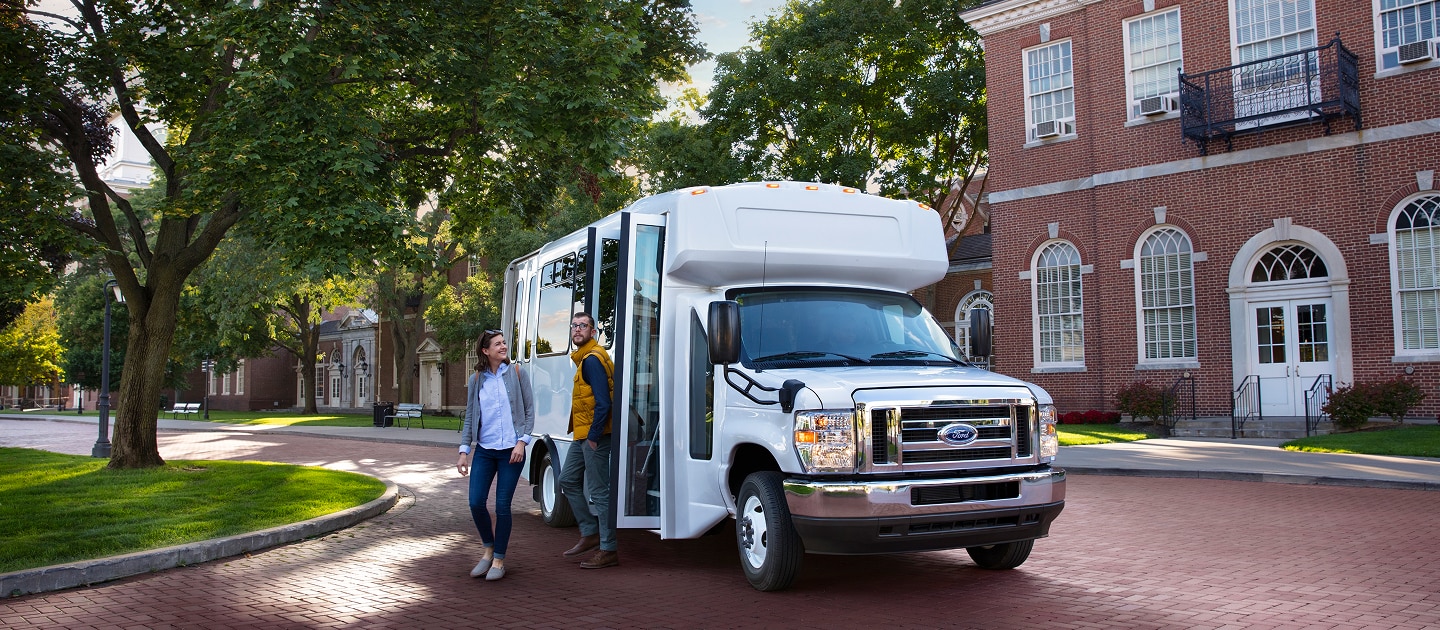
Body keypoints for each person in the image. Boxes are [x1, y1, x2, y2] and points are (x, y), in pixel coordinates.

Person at [456, 329, 534, 581]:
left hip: (511, 451)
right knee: (475, 502)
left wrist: (522, 442)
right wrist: (463, 451)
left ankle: (499, 559)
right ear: (485, 350)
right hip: (485, 451)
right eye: (497, 344)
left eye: (504, 342)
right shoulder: (477, 378)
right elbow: (470, 416)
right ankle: (488, 550)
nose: (503, 346)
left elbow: (530, 410)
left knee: (502, 506)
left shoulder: (518, 373)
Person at [558, 311, 618, 569]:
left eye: (583, 326)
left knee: (599, 492)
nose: (577, 330)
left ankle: (608, 549)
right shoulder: (585, 359)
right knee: (567, 479)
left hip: (594, 435)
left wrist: (593, 437)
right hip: (582, 434)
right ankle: (589, 532)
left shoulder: (592, 360)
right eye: (574, 326)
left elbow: (604, 402)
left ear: (593, 332)